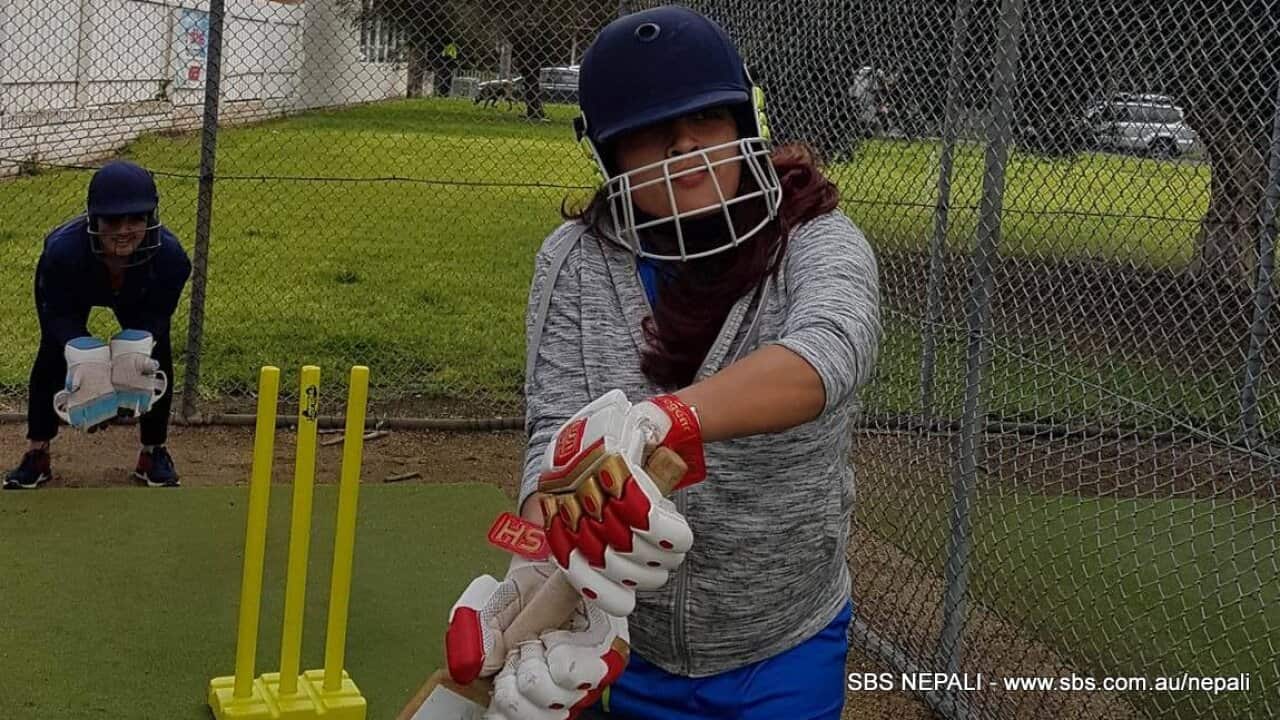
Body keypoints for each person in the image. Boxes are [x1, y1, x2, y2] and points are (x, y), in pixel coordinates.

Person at [443, 5, 881, 719]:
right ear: (608, 153)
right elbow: (552, 430)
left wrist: (667, 419)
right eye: (651, 133)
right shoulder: (575, 261)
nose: (686, 152)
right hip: (624, 643)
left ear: (744, 123)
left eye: (706, 120)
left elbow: (824, 357)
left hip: (780, 635)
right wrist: (538, 572)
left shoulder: (817, 238)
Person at [3, 160, 192, 490]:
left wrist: (135, 350)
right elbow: (55, 316)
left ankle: (153, 452)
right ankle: (37, 452)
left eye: (136, 218)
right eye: (113, 220)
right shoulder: (61, 253)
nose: (124, 230)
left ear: (151, 218)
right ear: (94, 220)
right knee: (54, 353)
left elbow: (159, 316)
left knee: (150, 355)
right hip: (79, 283)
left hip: (138, 288)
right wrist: (83, 360)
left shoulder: (171, 258)